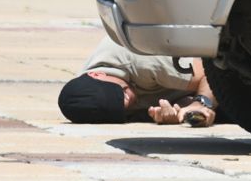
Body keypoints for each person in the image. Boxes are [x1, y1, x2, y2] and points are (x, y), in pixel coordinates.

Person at [58, 36, 216, 127]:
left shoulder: (141, 59)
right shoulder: (98, 103)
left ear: (97, 75)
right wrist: (177, 113)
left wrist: (200, 104)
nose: (128, 103)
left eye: (120, 94)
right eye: (121, 109)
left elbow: (211, 72)